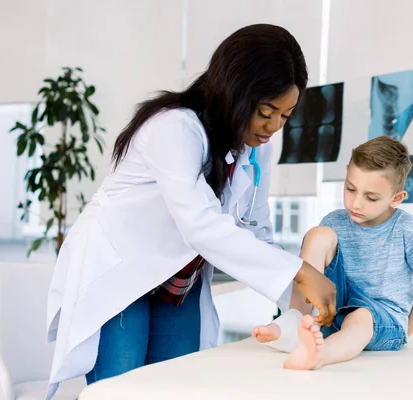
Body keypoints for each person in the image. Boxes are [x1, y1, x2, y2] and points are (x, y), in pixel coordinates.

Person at [45, 24, 336, 399]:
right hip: (122, 274)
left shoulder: (255, 149)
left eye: (285, 115)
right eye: (267, 111)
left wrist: (299, 306)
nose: (274, 127)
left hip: (177, 283)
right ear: (236, 92)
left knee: (178, 386)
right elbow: (200, 225)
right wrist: (300, 272)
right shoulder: (174, 128)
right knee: (121, 390)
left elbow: (256, 232)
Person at [252, 136, 413, 370]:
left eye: (370, 197)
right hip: (334, 312)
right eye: (350, 189)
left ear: (396, 198)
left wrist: (401, 334)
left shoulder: (409, 230)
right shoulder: (335, 221)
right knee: (319, 234)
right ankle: (295, 320)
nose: (356, 203)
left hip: (378, 319)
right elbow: (315, 273)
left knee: (361, 315)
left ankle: (319, 356)